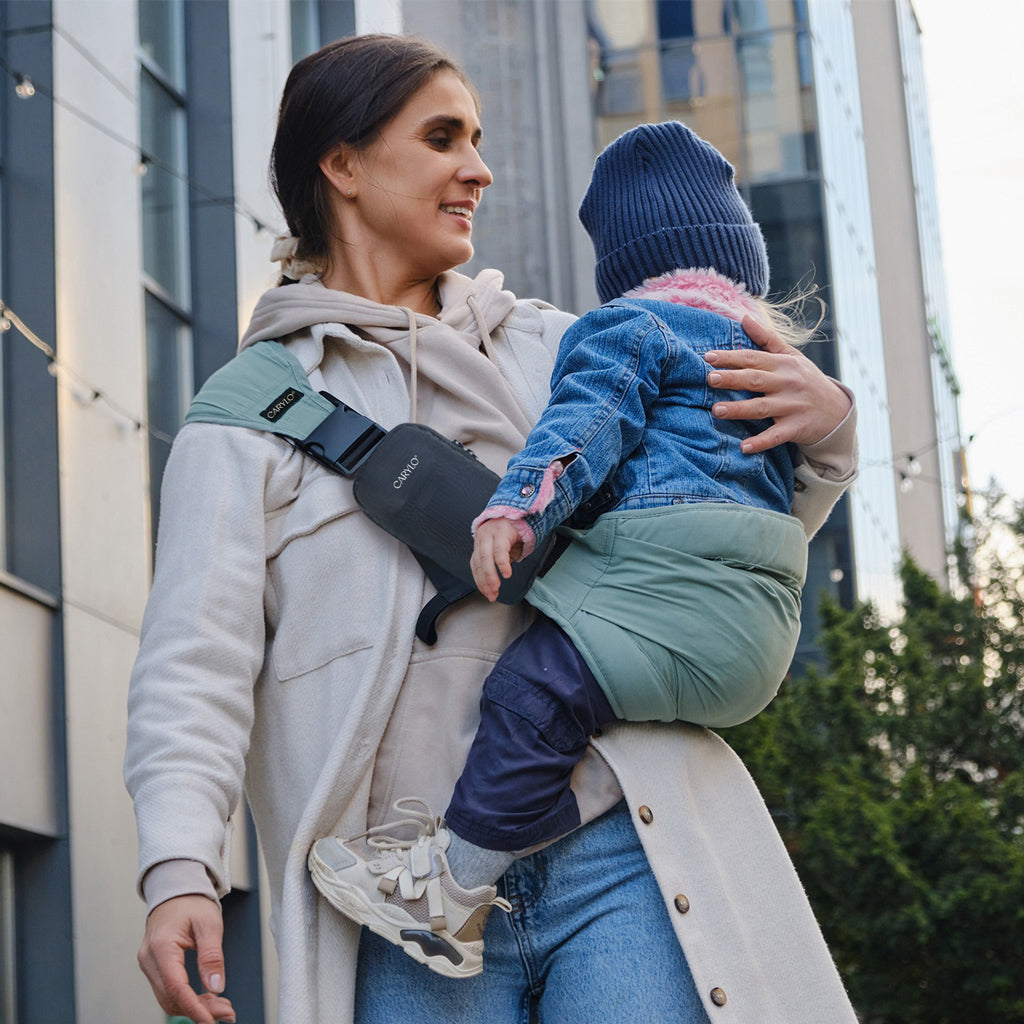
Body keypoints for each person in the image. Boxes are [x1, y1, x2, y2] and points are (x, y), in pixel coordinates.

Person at [124, 33, 859, 1024]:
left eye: (476, 137)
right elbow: (193, 665)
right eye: (441, 138)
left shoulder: (570, 347)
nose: (478, 168)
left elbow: (706, 540)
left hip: (621, 851)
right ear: (340, 164)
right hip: (402, 902)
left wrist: (821, 442)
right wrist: (178, 866)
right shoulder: (244, 414)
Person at [308, 121, 814, 977]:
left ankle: (452, 890)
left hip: (662, 588)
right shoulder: (765, 356)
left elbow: (585, 428)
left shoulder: (630, 327)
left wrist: (517, 509)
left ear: (621, 263)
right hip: (759, 642)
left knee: (534, 694)